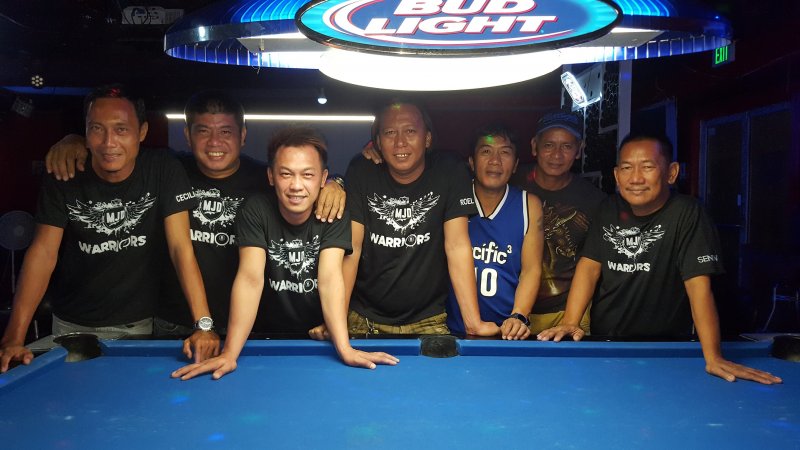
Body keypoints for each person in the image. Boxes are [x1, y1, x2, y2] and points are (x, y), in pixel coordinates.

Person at [43, 91, 346, 344]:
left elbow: (303, 179)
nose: (214, 143)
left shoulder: (265, 178)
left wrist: (336, 184)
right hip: (173, 319)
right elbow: (116, 150)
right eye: (203, 131)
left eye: (225, 132)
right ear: (187, 135)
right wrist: (74, 141)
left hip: (245, 321)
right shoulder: (166, 170)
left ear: (242, 136)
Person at [0, 84, 217, 373]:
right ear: (85, 133)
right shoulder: (65, 172)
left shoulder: (162, 168)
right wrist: (14, 337)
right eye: (96, 129)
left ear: (142, 132)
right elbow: (42, 254)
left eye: (121, 129)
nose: (108, 142)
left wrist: (203, 324)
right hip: (70, 325)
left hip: (136, 327)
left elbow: (181, 249)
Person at [537, 132, 782, 385]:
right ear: (617, 176)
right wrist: (570, 322)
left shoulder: (687, 212)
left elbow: (699, 287)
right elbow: (589, 268)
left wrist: (713, 357)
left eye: (648, 167)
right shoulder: (608, 208)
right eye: (627, 168)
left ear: (671, 173)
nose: (636, 178)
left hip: (667, 346)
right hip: (606, 341)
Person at [172, 126, 398, 380]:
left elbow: (329, 278)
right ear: (271, 176)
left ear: (323, 178)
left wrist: (344, 348)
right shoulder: (255, 209)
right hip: (267, 334)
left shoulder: (333, 212)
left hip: (318, 335)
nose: (296, 186)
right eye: (286, 174)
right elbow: (250, 278)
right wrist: (230, 354)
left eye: (307, 174)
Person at [344, 99, 499, 336]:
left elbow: (457, 245)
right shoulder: (361, 170)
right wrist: (333, 320)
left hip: (428, 320)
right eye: (389, 133)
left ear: (427, 138)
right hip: (363, 320)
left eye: (410, 131)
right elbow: (352, 248)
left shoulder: (450, 170)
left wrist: (473, 323)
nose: (400, 142)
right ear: (378, 143)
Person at [509, 111, 606, 334]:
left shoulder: (594, 200)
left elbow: (591, 265)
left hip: (568, 310)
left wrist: (572, 319)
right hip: (512, 309)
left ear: (579, 150)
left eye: (567, 146)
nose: (556, 155)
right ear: (534, 146)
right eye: (549, 145)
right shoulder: (511, 183)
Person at [446, 125, 544, 340]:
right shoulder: (453, 198)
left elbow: (531, 270)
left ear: (516, 164)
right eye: (486, 151)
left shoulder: (529, 205)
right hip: (452, 330)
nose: (495, 161)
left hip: (506, 332)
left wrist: (519, 316)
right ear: (472, 162)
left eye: (505, 152)